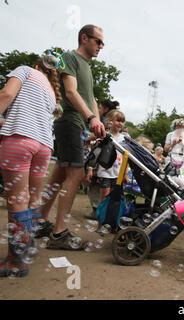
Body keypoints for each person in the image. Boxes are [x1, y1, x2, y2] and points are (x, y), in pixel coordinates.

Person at [34, 24, 106, 249]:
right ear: (84, 38)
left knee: (58, 176)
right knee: (75, 176)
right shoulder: (68, 57)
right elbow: (70, 92)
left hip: (78, 125)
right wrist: (90, 118)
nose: (101, 46)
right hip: (69, 123)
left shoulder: (88, 66)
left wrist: (97, 125)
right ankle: (59, 233)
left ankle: (40, 222)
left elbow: (90, 97)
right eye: (98, 41)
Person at [0, 53, 62, 277]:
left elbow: (6, 94)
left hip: (19, 141)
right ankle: (28, 247)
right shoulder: (51, 91)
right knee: (32, 199)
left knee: (17, 200)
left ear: (37, 64)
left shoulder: (25, 70)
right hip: (44, 147)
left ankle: (15, 261)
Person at [84, 99, 119, 220]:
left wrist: (87, 140)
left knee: (94, 185)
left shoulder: (103, 122)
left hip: (101, 162)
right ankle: (102, 213)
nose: (98, 110)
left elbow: (93, 140)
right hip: (108, 165)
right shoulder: (111, 122)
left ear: (105, 109)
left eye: (100, 107)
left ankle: (97, 211)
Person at [94, 110, 128, 203]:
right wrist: (90, 169)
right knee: (104, 200)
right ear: (110, 121)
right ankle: (101, 217)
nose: (120, 123)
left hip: (118, 174)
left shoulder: (124, 139)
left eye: (122, 121)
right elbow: (95, 153)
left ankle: (108, 217)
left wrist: (125, 174)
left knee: (113, 200)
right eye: (118, 120)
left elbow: (127, 157)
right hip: (105, 172)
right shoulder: (105, 135)